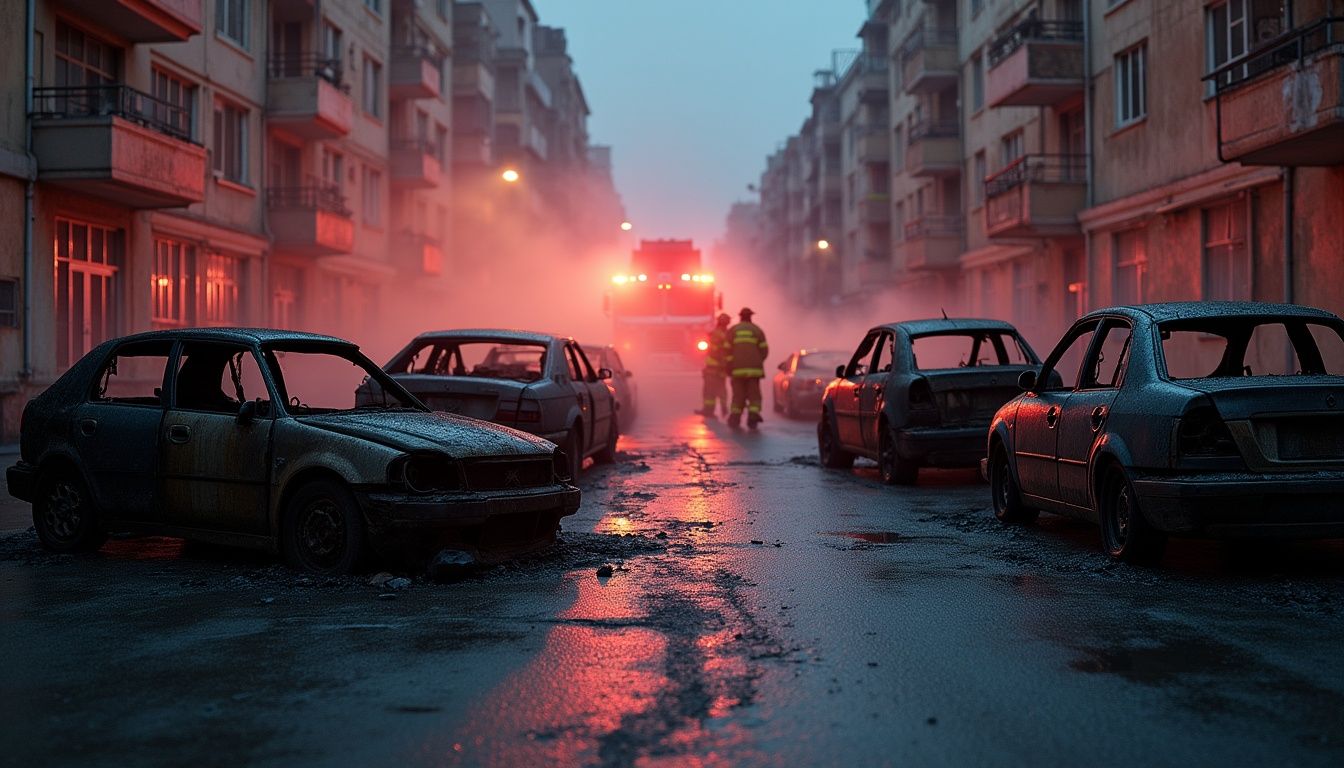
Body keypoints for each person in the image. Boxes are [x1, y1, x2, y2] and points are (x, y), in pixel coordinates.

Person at [726, 307, 768, 428]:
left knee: (738, 395)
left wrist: (730, 365)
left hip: (737, 370)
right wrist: (757, 361)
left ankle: (735, 418)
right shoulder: (757, 330)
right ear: (750, 317)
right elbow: (764, 350)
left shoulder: (733, 330)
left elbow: (727, 350)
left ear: (740, 317)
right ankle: (753, 417)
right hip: (754, 371)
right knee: (754, 395)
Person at [700, 312, 731, 417]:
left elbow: (715, 351)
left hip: (713, 367)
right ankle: (723, 407)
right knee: (721, 388)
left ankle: (708, 410)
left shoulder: (716, 334)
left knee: (709, 390)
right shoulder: (728, 334)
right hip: (722, 367)